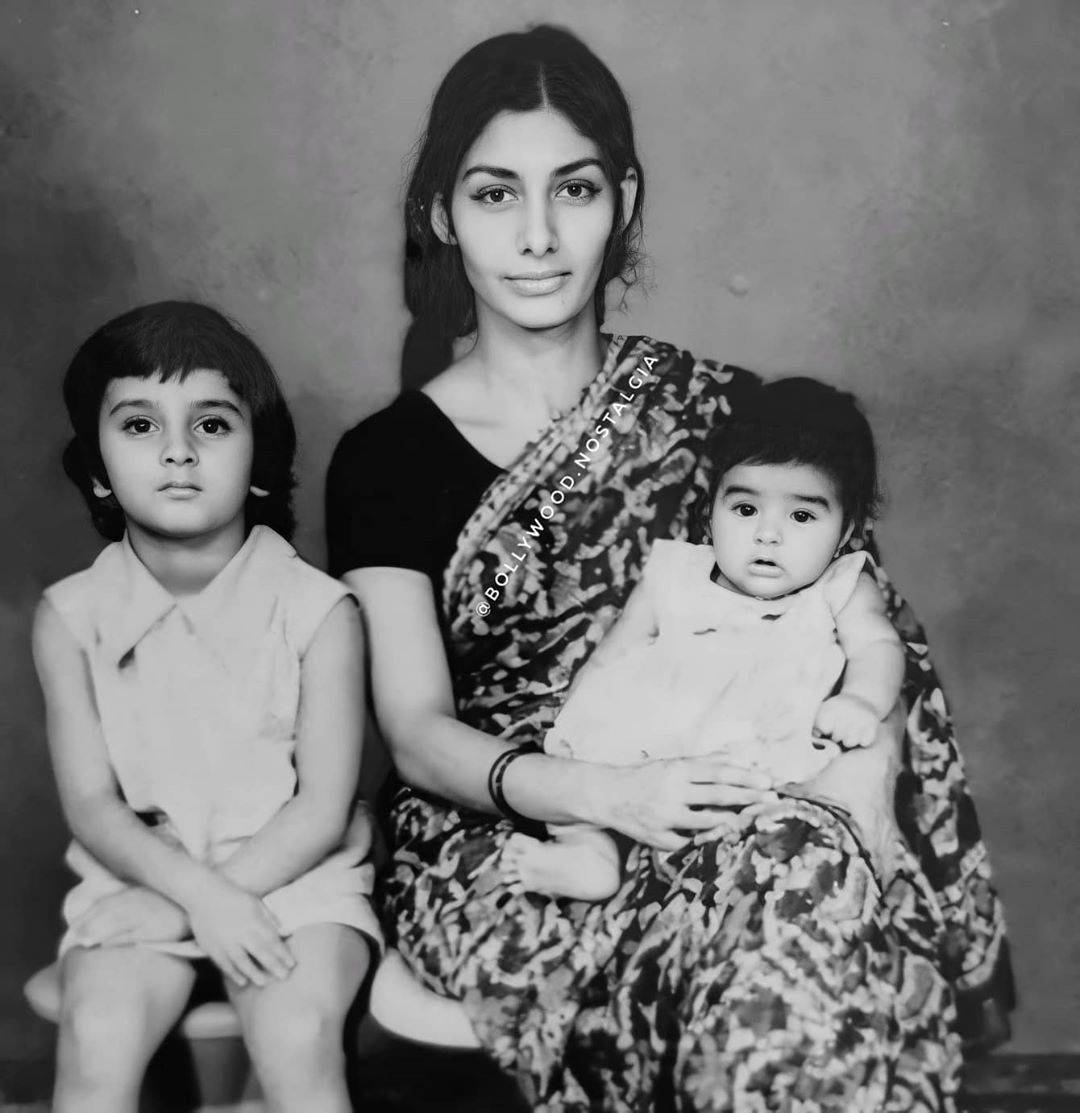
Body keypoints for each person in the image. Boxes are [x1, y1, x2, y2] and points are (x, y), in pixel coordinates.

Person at [326, 25, 1013, 1112]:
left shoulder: (735, 416)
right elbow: (415, 734)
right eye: (497, 195)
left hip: (753, 784)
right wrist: (616, 793)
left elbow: (864, 632)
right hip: (523, 829)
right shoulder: (385, 461)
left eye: (577, 190)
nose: (540, 235)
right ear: (441, 215)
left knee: (802, 868)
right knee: (782, 890)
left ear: (626, 201)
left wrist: (859, 780)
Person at [35, 302, 379, 1113]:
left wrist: (213, 899)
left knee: (296, 1038)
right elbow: (91, 803)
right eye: (140, 424)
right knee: (97, 1031)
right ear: (94, 465)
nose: (179, 451)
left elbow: (323, 808)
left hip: (296, 879)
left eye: (214, 425)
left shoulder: (320, 610)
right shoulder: (71, 615)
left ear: (261, 461)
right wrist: (191, 896)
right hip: (144, 872)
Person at [507, 377, 907, 901]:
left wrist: (861, 700)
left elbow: (878, 648)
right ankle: (591, 858)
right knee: (589, 790)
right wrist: (579, 711)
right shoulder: (676, 573)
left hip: (754, 754)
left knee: (775, 823)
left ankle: (715, 868)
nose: (768, 534)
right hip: (648, 738)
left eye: (802, 515)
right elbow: (615, 653)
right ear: (711, 507)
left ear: (847, 528)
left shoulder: (842, 585)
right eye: (745, 509)